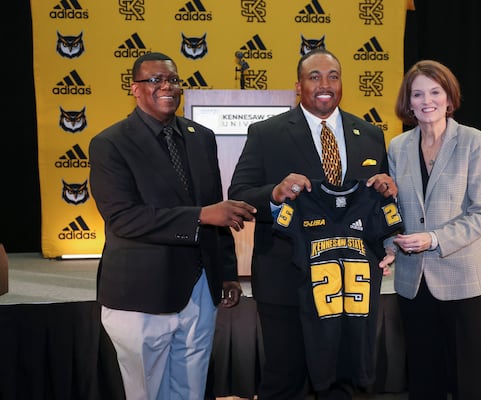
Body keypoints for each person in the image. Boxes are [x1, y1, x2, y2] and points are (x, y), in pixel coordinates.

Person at [228, 48, 397, 399]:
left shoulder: (369, 133)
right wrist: (274, 194)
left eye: (333, 76)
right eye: (314, 76)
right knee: (284, 379)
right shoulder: (266, 133)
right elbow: (240, 194)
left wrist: (388, 190)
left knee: (344, 380)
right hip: (285, 278)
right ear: (298, 86)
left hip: (349, 286)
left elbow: (380, 203)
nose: (325, 84)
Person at [88, 52, 256, 400]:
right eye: (155, 80)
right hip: (141, 292)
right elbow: (122, 217)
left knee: (190, 389)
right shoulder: (110, 143)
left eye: (173, 80)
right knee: (146, 392)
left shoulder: (201, 136)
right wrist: (199, 216)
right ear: (135, 89)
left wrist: (226, 273)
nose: (167, 86)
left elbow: (216, 208)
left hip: (199, 289)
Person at [383, 59, 481, 400]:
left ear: (449, 98)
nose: (426, 100)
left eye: (435, 91)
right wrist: (390, 244)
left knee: (468, 381)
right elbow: (393, 208)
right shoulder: (398, 147)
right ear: (408, 102)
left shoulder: (473, 141)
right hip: (412, 281)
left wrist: (433, 239)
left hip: (464, 280)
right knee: (422, 377)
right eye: (417, 94)